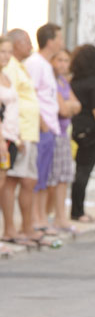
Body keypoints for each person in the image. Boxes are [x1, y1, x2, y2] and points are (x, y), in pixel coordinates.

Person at [1, 29, 42, 246]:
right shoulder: (10, 68)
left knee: (25, 180)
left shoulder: (17, 68)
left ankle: (22, 228)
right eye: (26, 42)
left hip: (22, 132)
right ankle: (10, 229)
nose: (30, 46)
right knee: (12, 182)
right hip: (14, 134)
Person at [25, 23, 63, 235]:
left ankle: (40, 217)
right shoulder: (35, 63)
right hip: (42, 127)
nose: (61, 43)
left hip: (50, 127)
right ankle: (34, 219)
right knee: (36, 177)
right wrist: (42, 122)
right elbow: (29, 95)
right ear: (50, 40)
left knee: (44, 177)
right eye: (59, 38)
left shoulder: (46, 64)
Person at [70, 44, 95, 222]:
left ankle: (75, 210)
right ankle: (78, 212)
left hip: (74, 130)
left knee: (76, 172)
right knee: (83, 173)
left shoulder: (73, 81)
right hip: (91, 134)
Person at [47, 48, 80, 232]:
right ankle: (47, 216)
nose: (63, 64)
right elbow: (64, 110)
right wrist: (70, 106)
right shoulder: (52, 81)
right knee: (52, 178)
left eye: (66, 60)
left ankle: (61, 217)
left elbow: (77, 105)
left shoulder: (64, 82)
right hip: (54, 133)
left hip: (65, 133)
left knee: (63, 178)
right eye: (59, 60)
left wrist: (70, 106)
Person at [0, 36, 19, 256]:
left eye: (8, 51)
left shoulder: (7, 76)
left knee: (4, 185)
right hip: (2, 139)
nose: (6, 56)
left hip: (12, 137)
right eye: (2, 51)